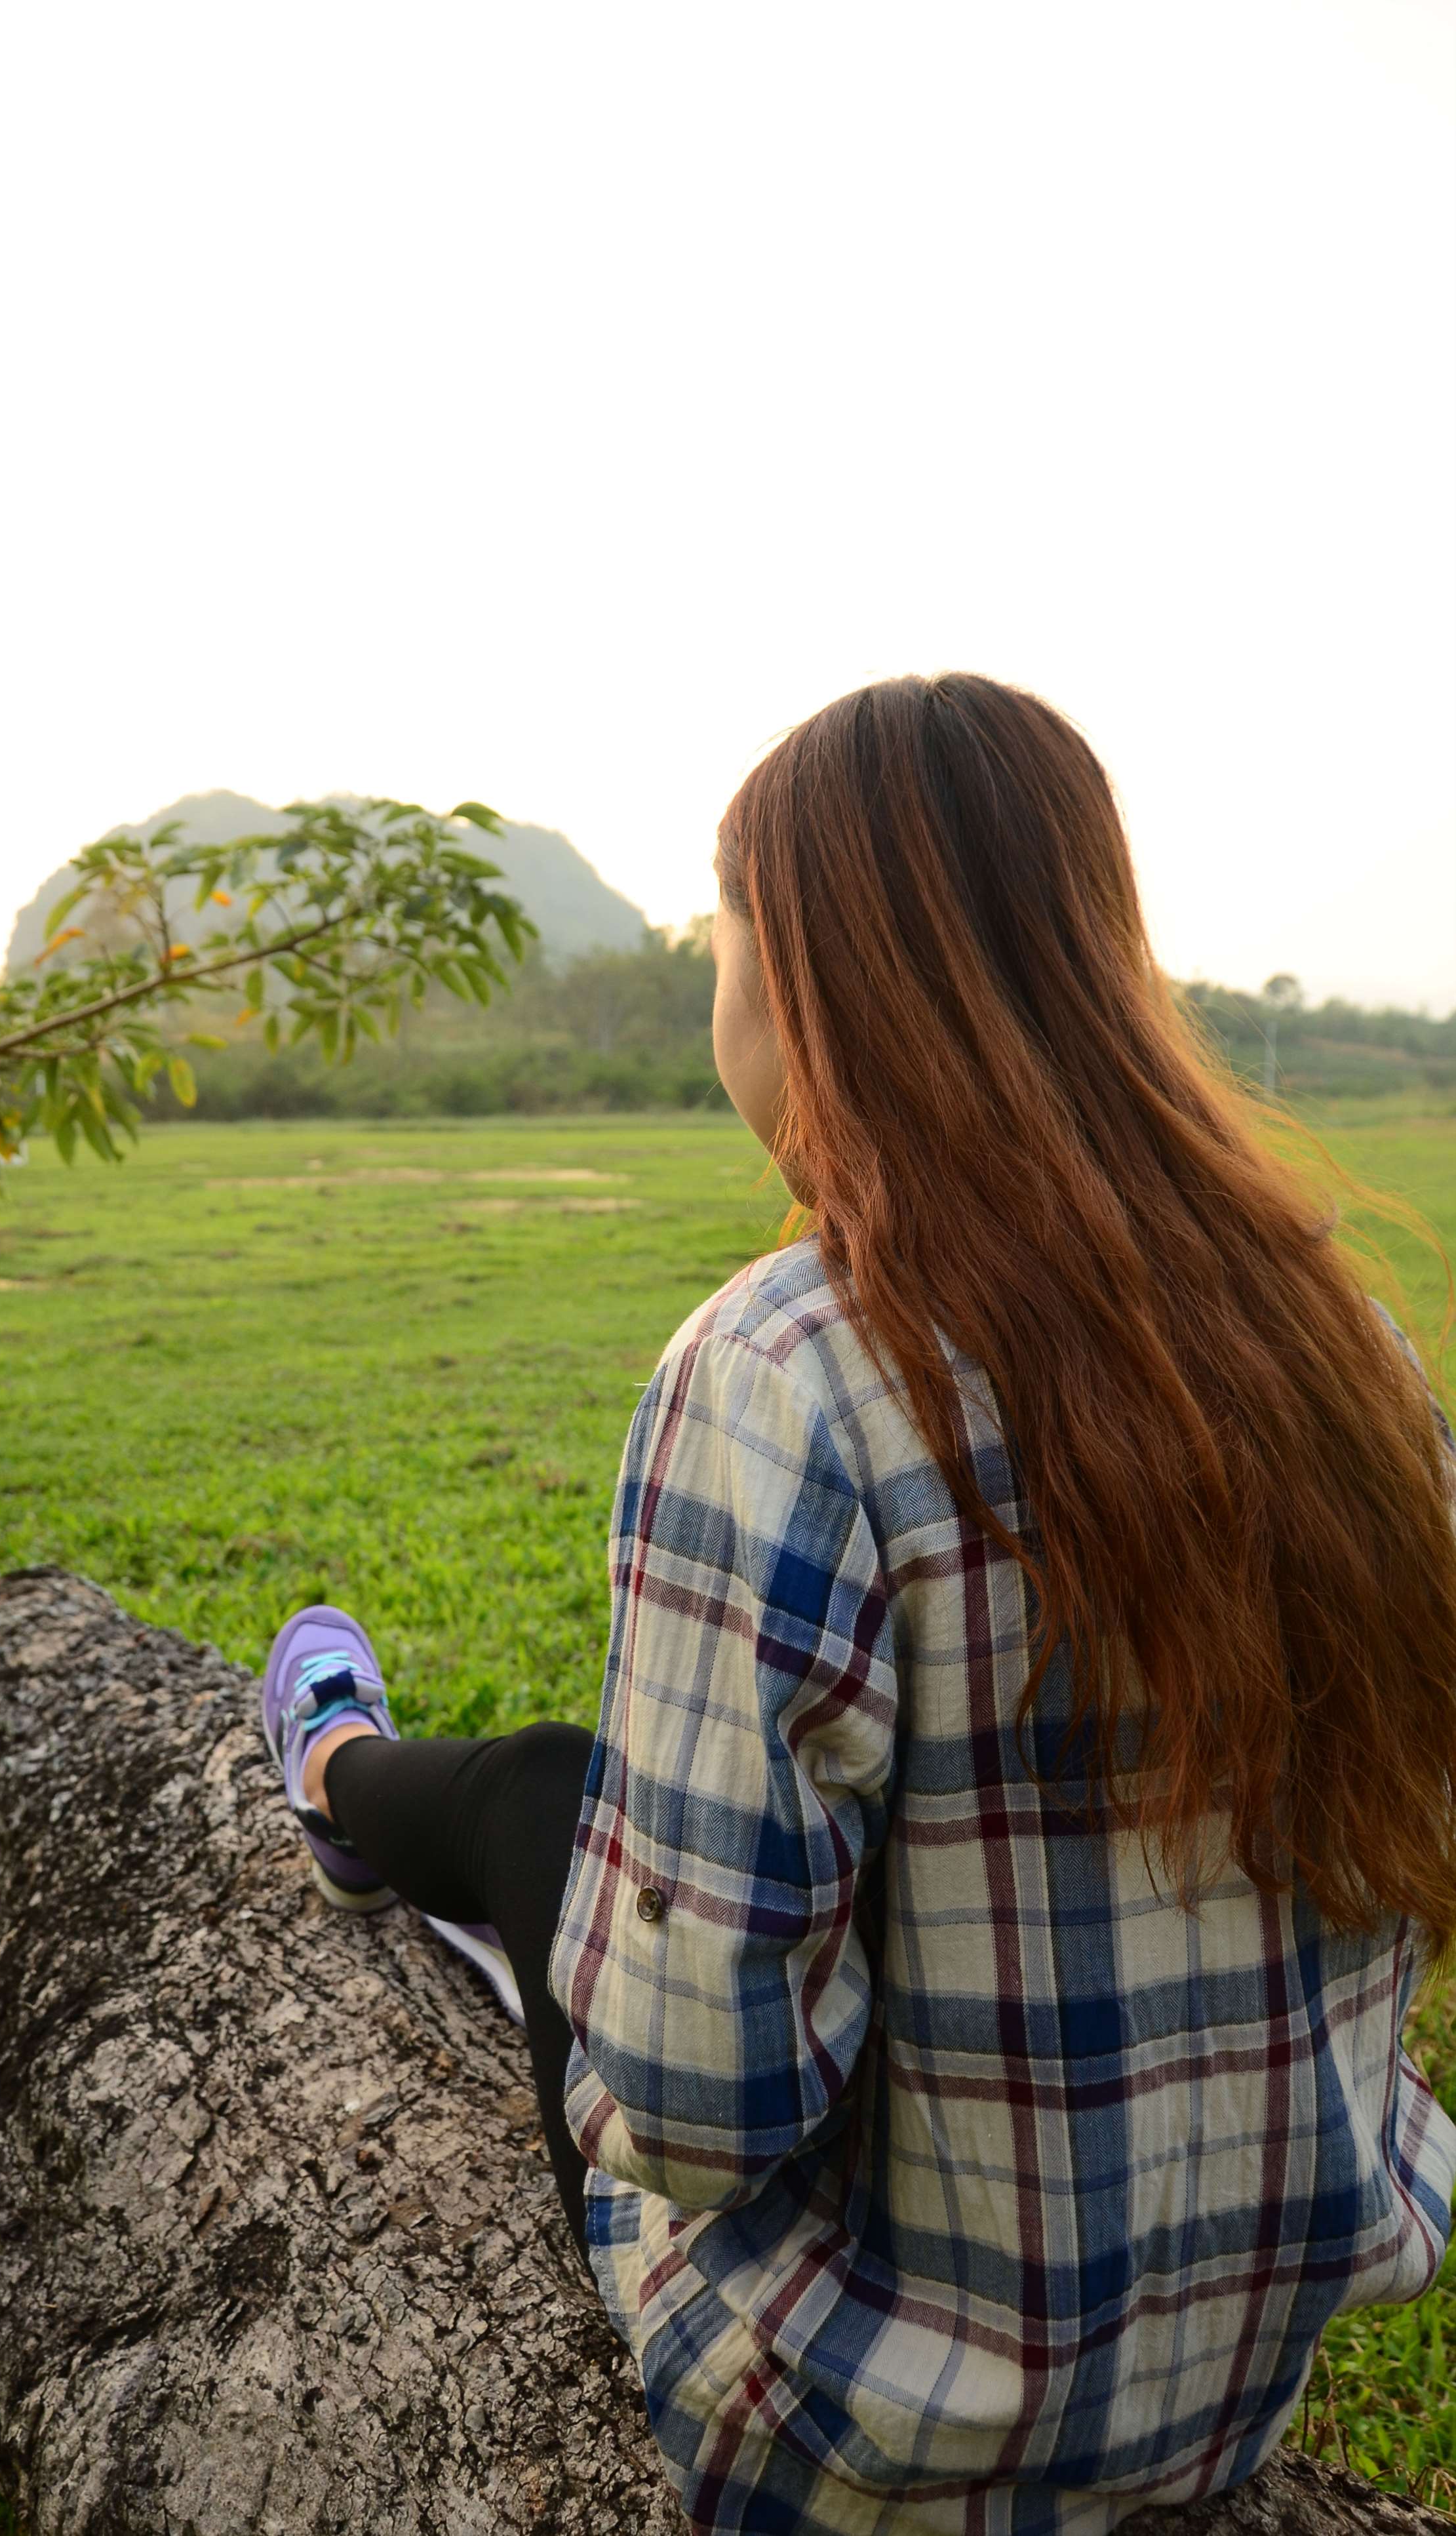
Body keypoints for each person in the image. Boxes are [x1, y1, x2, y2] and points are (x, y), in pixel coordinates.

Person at [260, 672, 1456, 2535]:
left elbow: (696, 2107)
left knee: (539, 1807)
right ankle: (358, 1778)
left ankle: (332, 1774)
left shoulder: (784, 1375)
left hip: (854, 2440)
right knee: (572, 1797)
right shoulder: (1345, 1354)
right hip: (1222, 2397)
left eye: (729, 935)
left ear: (802, 982)